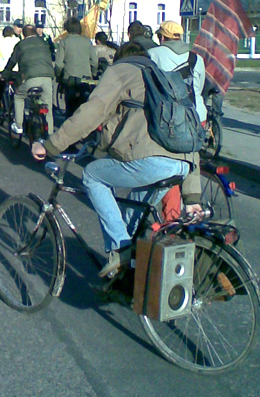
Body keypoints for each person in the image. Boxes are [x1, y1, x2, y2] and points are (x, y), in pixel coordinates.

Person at [32, 41, 202, 277]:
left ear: (118, 58)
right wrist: (192, 195)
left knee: (92, 174)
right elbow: (190, 134)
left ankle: (120, 250)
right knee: (132, 215)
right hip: (181, 166)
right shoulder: (163, 78)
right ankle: (127, 274)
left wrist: (51, 145)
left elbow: (91, 113)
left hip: (152, 162)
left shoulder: (121, 71)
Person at [148, 20, 207, 220]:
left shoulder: (153, 55)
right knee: (192, 157)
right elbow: (199, 87)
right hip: (197, 116)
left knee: (171, 167)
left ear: (162, 37)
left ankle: (171, 219)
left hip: (171, 119)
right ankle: (194, 206)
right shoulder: (196, 58)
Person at [3, 24, 55, 135]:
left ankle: (19, 125)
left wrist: (5, 73)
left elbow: (12, 61)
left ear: (23, 34)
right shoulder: (44, 43)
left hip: (29, 77)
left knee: (19, 96)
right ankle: (50, 135)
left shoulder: (21, 45)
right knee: (48, 108)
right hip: (47, 77)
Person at [55, 17, 98, 117]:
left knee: (70, 109)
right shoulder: (87, 42)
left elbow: (59, 64)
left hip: (69, 79)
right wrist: (94, 74)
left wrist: (58, 76)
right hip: (85, 79)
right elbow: (94, 61)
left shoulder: (64, 42)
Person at [0, 26, 19, 130]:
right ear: (12, 34)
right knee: (19, 94)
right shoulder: (17, 40)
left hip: (3, 71)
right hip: (16, 71)